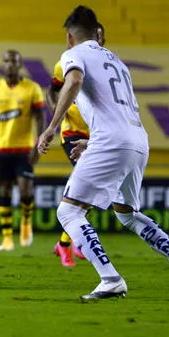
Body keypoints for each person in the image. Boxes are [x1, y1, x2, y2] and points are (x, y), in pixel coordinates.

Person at [37, 6, 169, 300]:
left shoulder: (72, 56)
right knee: (127, 214)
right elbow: (119, 108)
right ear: (97, 33)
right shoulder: (117, 61)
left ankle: (110, 278)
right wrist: (93, 142)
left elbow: (73, 81)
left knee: (69, 211)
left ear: (69, 37)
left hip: (112, 141)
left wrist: (52, 127)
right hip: (137, 139)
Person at [0, 50, 45, 251]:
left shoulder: (32, 88)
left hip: (24, 149)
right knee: (4, 192)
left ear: (20, 64)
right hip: (1, 149)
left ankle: (26, 225)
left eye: (14, 61)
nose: (10, 64)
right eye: (6, 61)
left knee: (25, 191)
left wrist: (39, 143)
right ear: (2, 64)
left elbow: (39, 117)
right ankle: (7, 238)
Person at [45, 23, 105, 267]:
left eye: (101, 35)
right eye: (95, 34)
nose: (98, 38)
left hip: (96, 134)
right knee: (87, 185)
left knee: (91, 189)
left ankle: (69, 242)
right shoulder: (66, 63)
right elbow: (52, 91)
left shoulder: (105, 65)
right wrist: (57, 114)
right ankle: (66, 245)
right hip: (72, 133)